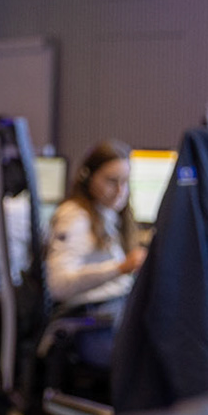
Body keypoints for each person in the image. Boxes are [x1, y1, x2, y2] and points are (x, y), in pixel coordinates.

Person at [44, 140, 146, 367]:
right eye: (111, 181)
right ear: (88, 177)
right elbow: (57, 285)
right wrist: (120, 268)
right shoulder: (75, 217)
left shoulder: (107, 214)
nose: (120, 191)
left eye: (125, 182)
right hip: (94, 324)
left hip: (113, 315)